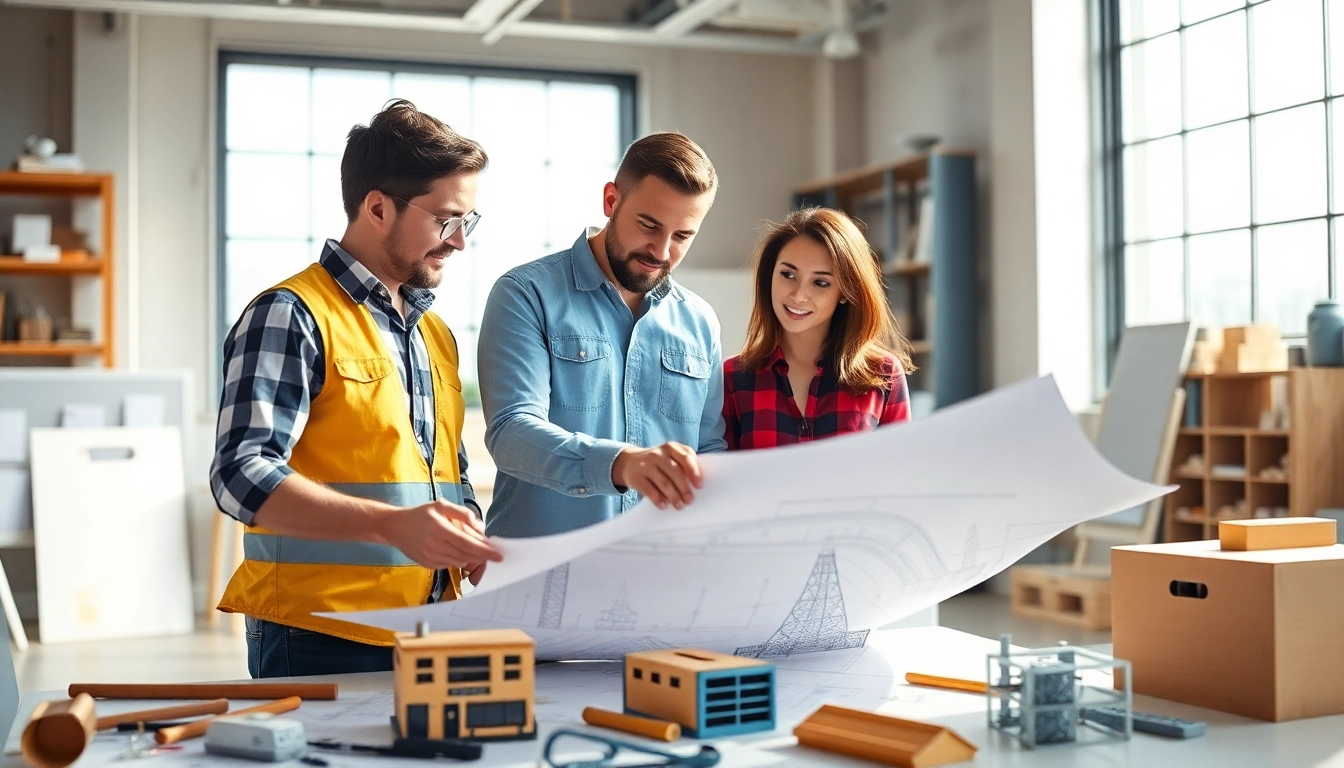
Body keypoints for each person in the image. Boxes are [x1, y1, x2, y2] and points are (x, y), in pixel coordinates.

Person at [210, 100, 502, 678]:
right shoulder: (290, 315)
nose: (460, 242)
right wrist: (392, 525)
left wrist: (464, 521)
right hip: (316, 631)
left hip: (427, 624)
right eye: (446, 220)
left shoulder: (434, 334)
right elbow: (241, 475)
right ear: (377, 207)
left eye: (467, 222)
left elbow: (444, 469)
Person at [478, 132, 727, 538]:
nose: (661, 252)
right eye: (649, 225)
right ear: (611, 200)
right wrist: (622, 464)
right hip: (538, 573)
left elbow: (709, 450)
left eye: (683, 236)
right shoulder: (526, 294)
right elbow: (511, 433)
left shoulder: (700, 321)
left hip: (659, 575)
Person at [723, 207, 913, 450]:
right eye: (788, 274)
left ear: (845, 292)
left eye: (820, 282)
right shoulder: (733, 377)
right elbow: (721, 477)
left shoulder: (883, 374)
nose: (799, 295)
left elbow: (900, 475)